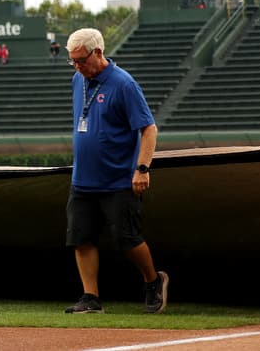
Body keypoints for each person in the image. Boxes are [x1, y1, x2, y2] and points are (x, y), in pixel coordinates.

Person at [62, 29, 168, 315]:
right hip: (83, 178)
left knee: (127, 239)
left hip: (118, 179)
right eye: (72, 61)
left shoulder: (124, 84)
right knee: (80, 237)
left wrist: (142, 168)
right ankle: (90, 297)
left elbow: (148, 128)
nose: (76, 67)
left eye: (80, 61)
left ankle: (153, 280)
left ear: (97, 53)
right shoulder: (78, 80)